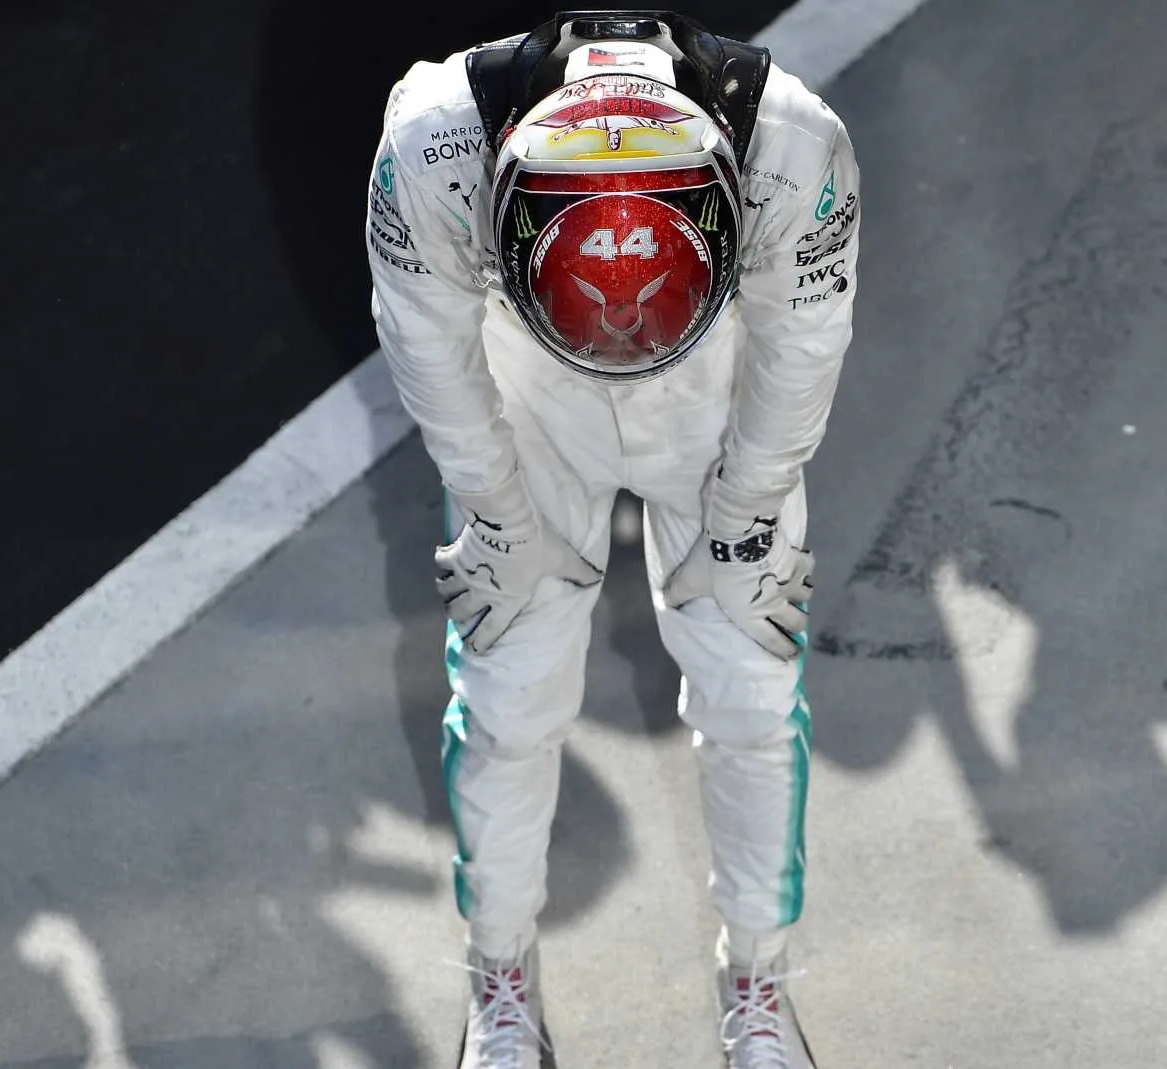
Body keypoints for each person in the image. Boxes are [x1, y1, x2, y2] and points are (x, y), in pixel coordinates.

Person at [364, 10, 859, 1067]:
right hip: (528, 402)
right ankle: (498, 974)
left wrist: (748, 508)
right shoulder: (428, 148)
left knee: (753, 701)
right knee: (504, 704)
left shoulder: (795, 145)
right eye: (605, 305)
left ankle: (759, 981)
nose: (622, 338)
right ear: (504, 204)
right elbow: (429, 350)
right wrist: (495, 509)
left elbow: (804, 338)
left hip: (713, 400)